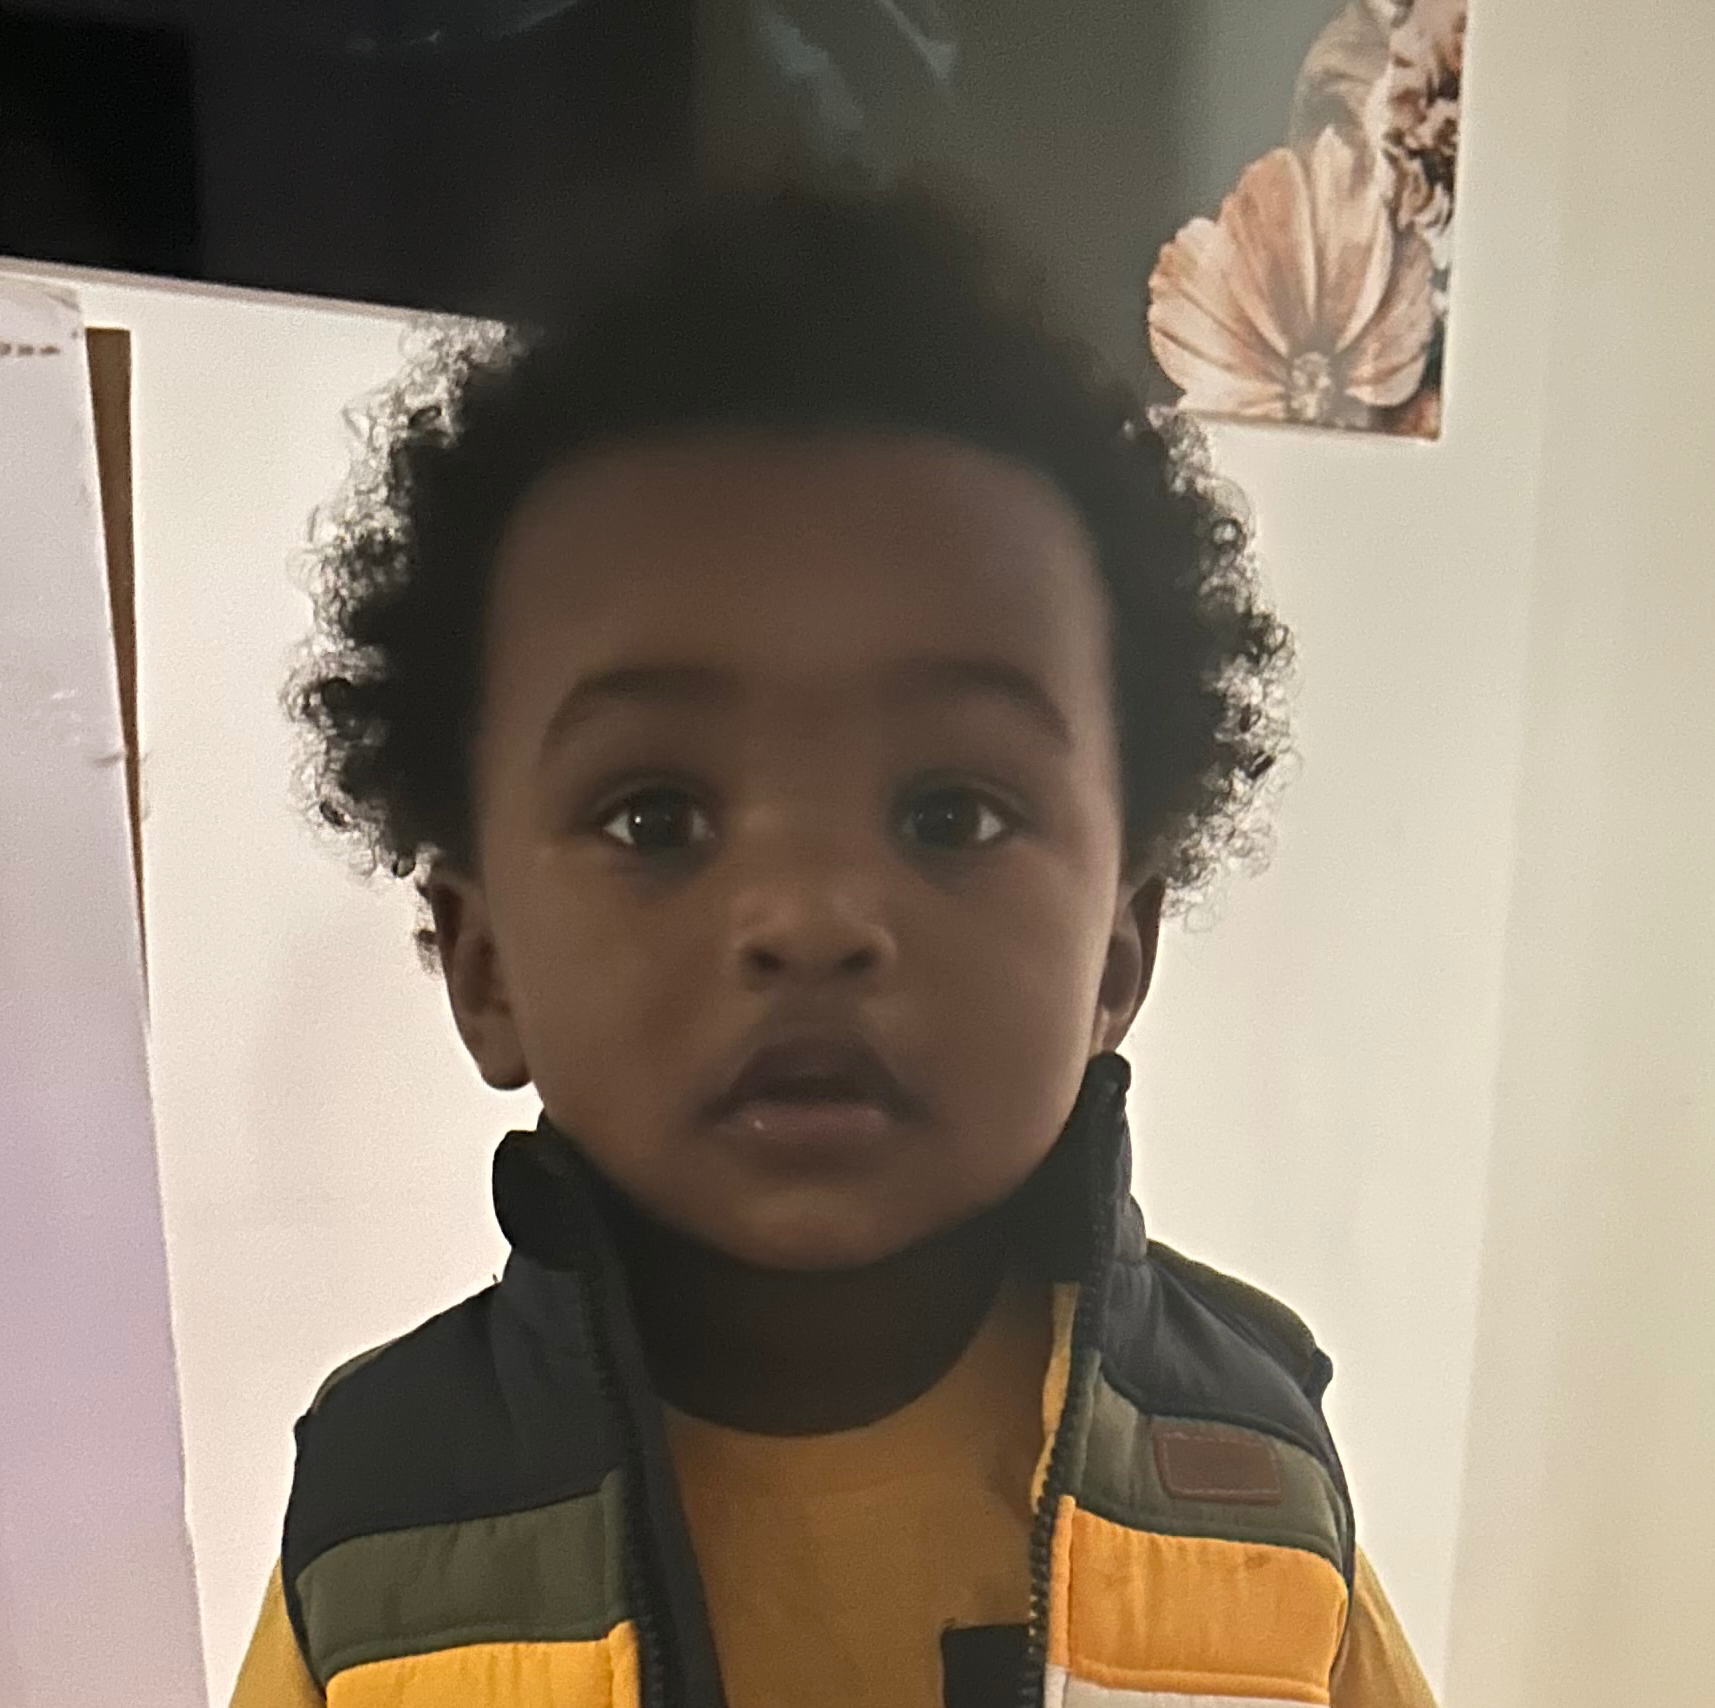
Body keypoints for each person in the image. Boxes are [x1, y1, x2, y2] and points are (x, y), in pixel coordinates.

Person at [227, 184, 1439, 1708]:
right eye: (656, 817)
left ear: (1121, 950)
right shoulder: (387, 1542)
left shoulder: (1248, 1499)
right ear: (482, 965)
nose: (809, 917)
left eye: (952, 814)